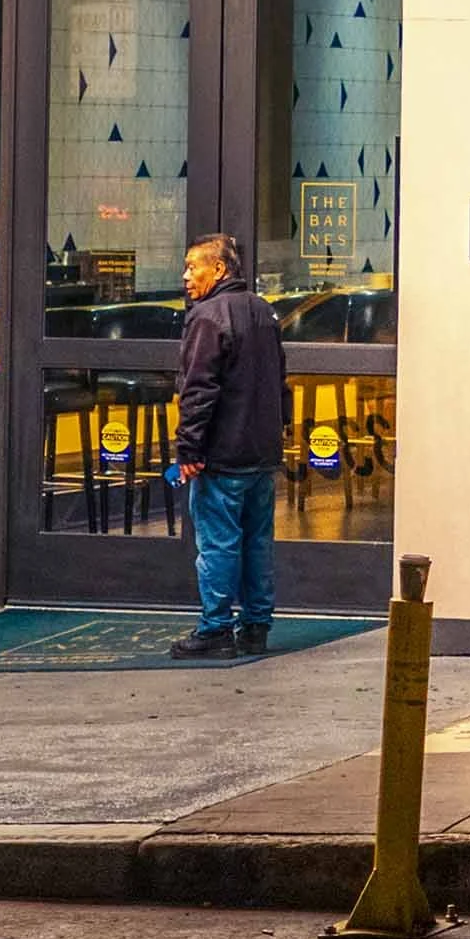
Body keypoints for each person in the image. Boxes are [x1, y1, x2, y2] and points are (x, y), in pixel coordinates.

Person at [168, 234, 288, 660]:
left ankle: (216, 627)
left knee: (218, 543)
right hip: (261, 453)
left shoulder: (208, 317)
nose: (185, 276)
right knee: (257, 543)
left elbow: (198, 390)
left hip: (223, 455)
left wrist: (189, 451)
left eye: (192, 266)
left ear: (218, 269)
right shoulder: (263, 312)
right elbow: (280, 382)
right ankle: (255, 626)